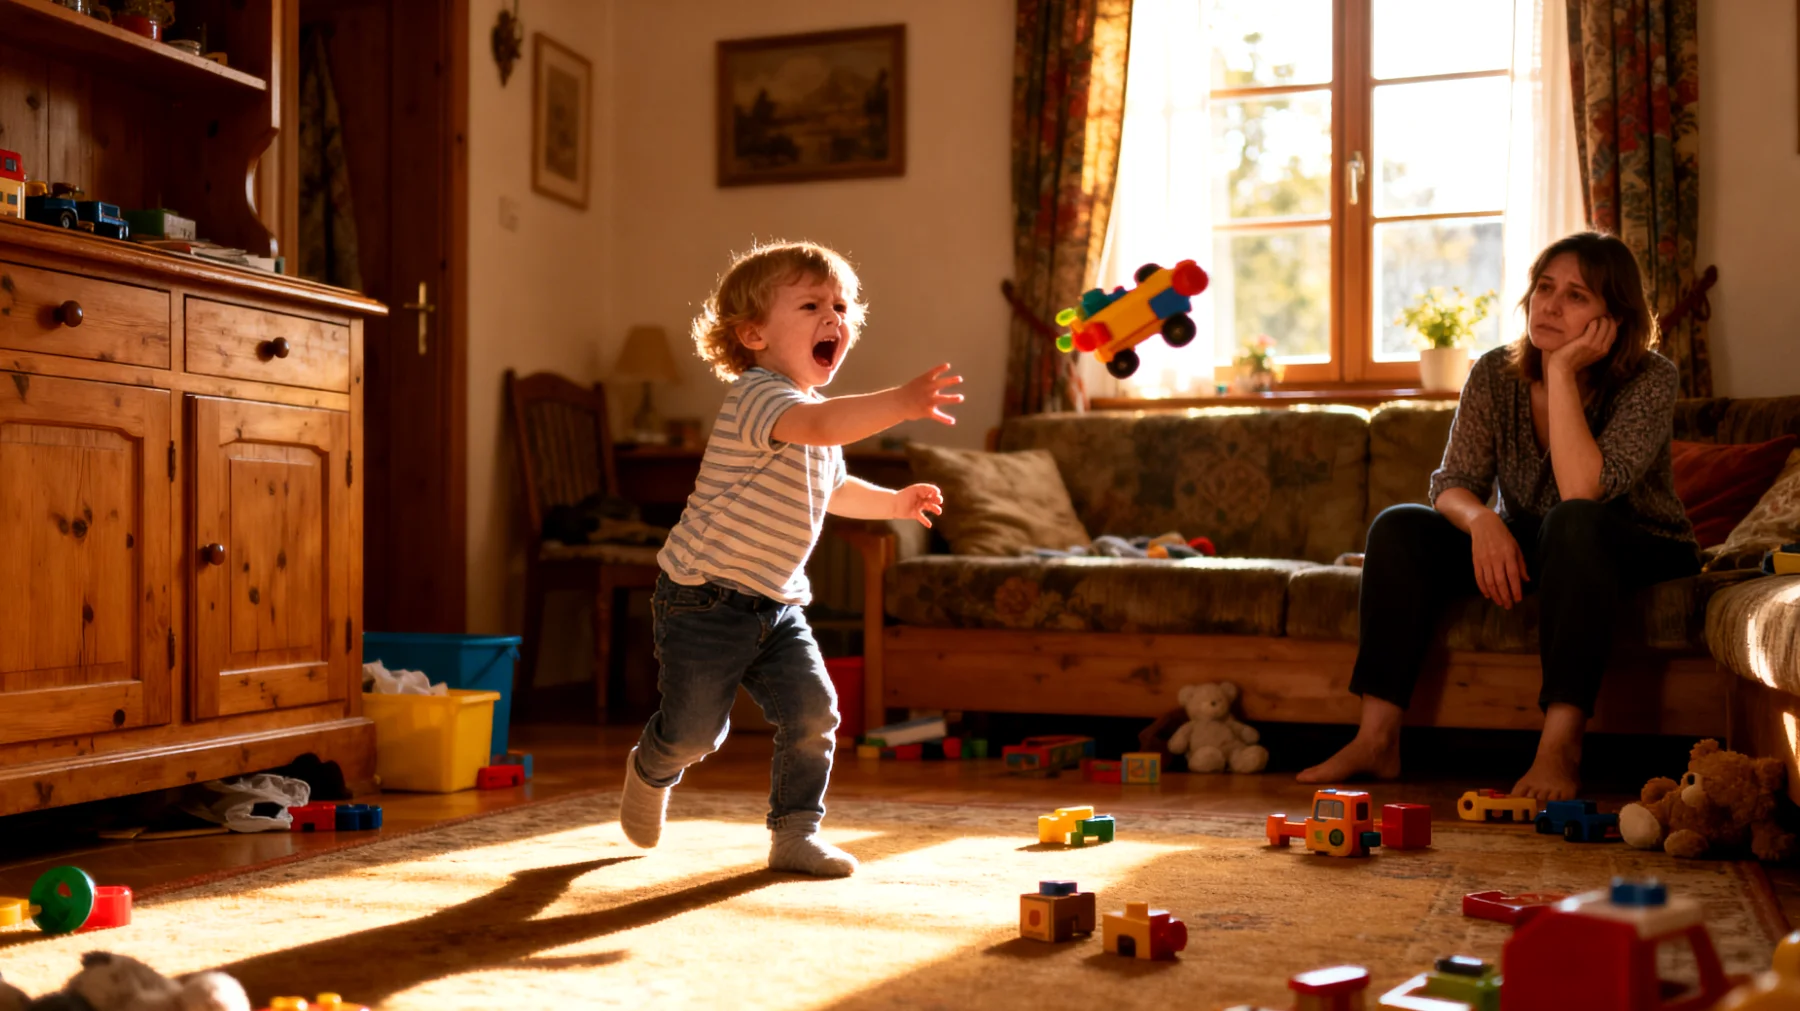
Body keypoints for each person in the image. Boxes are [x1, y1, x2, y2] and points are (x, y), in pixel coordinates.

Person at [1297, 231, 1699, 800]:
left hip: (1639, 543)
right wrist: (1483, 523)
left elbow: (1583, 491)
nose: (1550, 305)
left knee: (1573, 522)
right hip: (1541, 537)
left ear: (1614, 318)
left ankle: (1561, 747)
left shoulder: (1651, 378)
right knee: (1399, 528)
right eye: (1544, 287)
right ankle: (1377, 739)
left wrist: (1560, 373)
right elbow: (1453, 484)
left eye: (1577, 295)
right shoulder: (1494, 372)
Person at [618, 240, 963, 876]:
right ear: (753, 334)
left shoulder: (809, 415)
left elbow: (833, 487)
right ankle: (652, 765)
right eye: (810, 305)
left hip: (776, 603)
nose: (834, 317)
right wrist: (903, 402)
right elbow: (825, 428)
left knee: (815, 715)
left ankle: (794, 833)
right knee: (697, 734)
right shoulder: (759, 397)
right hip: (703, 597)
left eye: (841, 305)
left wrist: (893, 504)